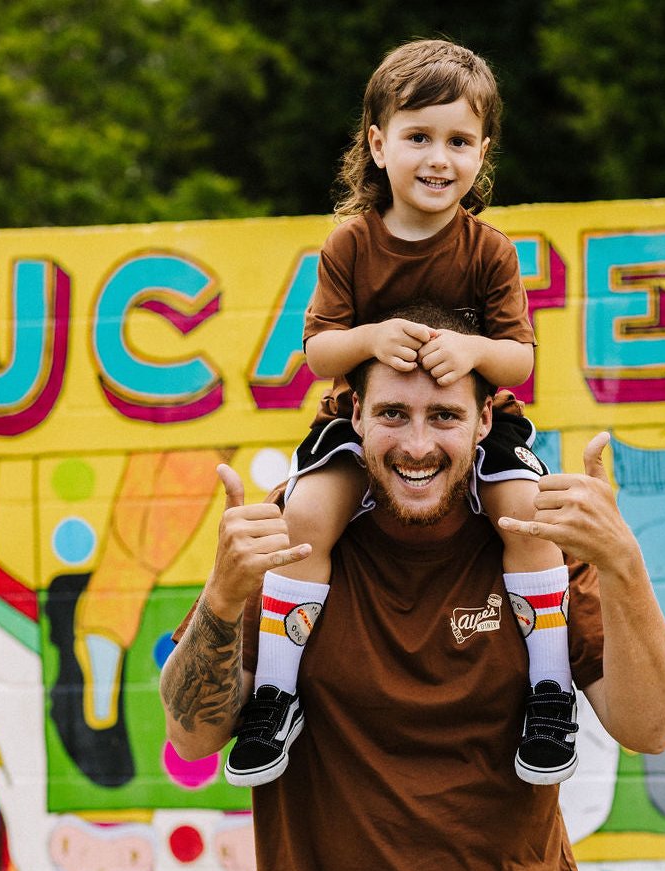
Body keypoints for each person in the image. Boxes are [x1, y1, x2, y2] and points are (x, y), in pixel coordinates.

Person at [159, 356, 665, 871]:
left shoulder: (536, 542)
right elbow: (193, 734)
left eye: (444, 416)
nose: (416, 444)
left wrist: (623, 563)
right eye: (392, 414)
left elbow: (650, 725)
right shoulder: (294, 538)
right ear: (354, 417)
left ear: (484, 420)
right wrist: (224, 594)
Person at [225, 38, 577, 790]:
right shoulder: (351, 243)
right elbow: (320, 351)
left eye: (459, 140)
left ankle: (550, 691)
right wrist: (372, 338)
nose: (438, 158)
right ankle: (277, 693)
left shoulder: (488, 251)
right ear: (379, 145)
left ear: (484, 152)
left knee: (526, 517)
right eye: (418, 137)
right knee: (305, 519)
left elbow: (519, 361)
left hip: (474, 424)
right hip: (362, 423)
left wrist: (471, 351)